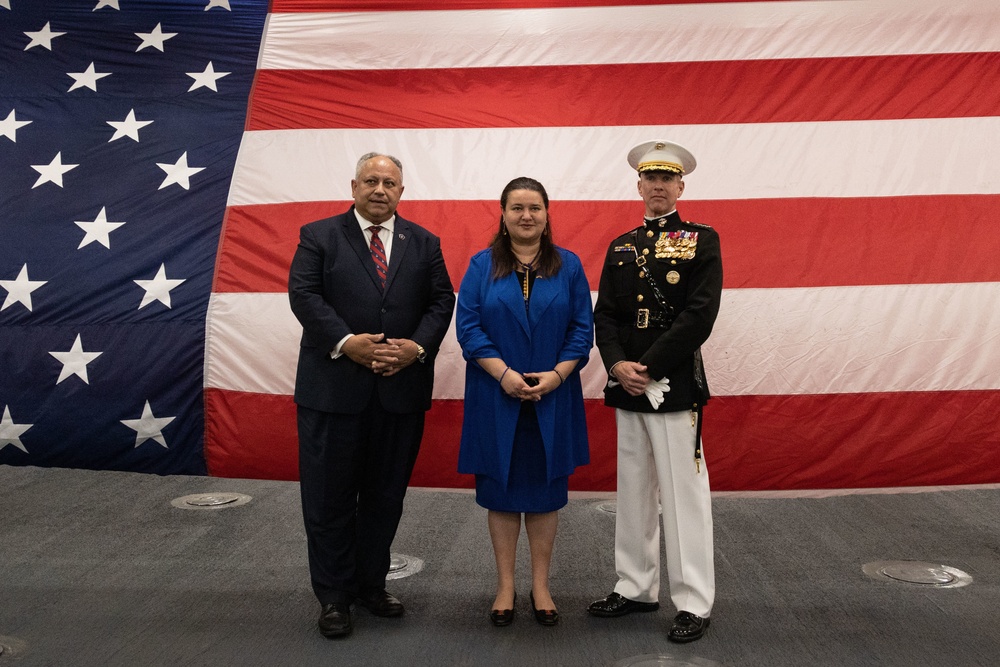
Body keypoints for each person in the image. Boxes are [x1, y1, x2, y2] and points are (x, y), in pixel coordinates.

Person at [288, 152, 456, 639]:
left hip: (399, 392)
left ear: (402, 191)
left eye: (390, 183)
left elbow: (442, 300)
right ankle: (334, 597)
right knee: (328, 499)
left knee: (385, 498)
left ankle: (370, 585)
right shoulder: (318, 235)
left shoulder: (424, 243)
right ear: (354, 186)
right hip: (333, 392)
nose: (380, 190)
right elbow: (304, 295)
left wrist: (417, 347)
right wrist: (348, 344)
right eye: (371, 181)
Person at [588, 141, 723, 643]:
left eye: (668, 179)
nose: (659, 186)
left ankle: (693, 601)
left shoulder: (701, 240)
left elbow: (700, 314)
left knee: (683, 497)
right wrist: (618, 364)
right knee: (634, 491)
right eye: (651, 179)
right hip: (628, 384)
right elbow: (605, 314)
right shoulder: (621, 245)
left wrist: (648, 365)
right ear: (639, 185)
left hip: (674, 385)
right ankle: (635, 585)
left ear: (681, 186)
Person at [456, 177, 593, 627]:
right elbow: (469, 329)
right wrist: (506, 376)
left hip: (552, 396)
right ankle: (505, 586)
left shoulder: (569, 266)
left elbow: (581, 329)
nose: (526, 215)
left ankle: (540, 585)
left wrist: (556, 376)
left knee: (543, 494)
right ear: (502, 213)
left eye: (535, 207)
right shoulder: (481, 265)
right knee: (501, 491)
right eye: (517, 207)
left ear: (548, 213)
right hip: (497, 394)